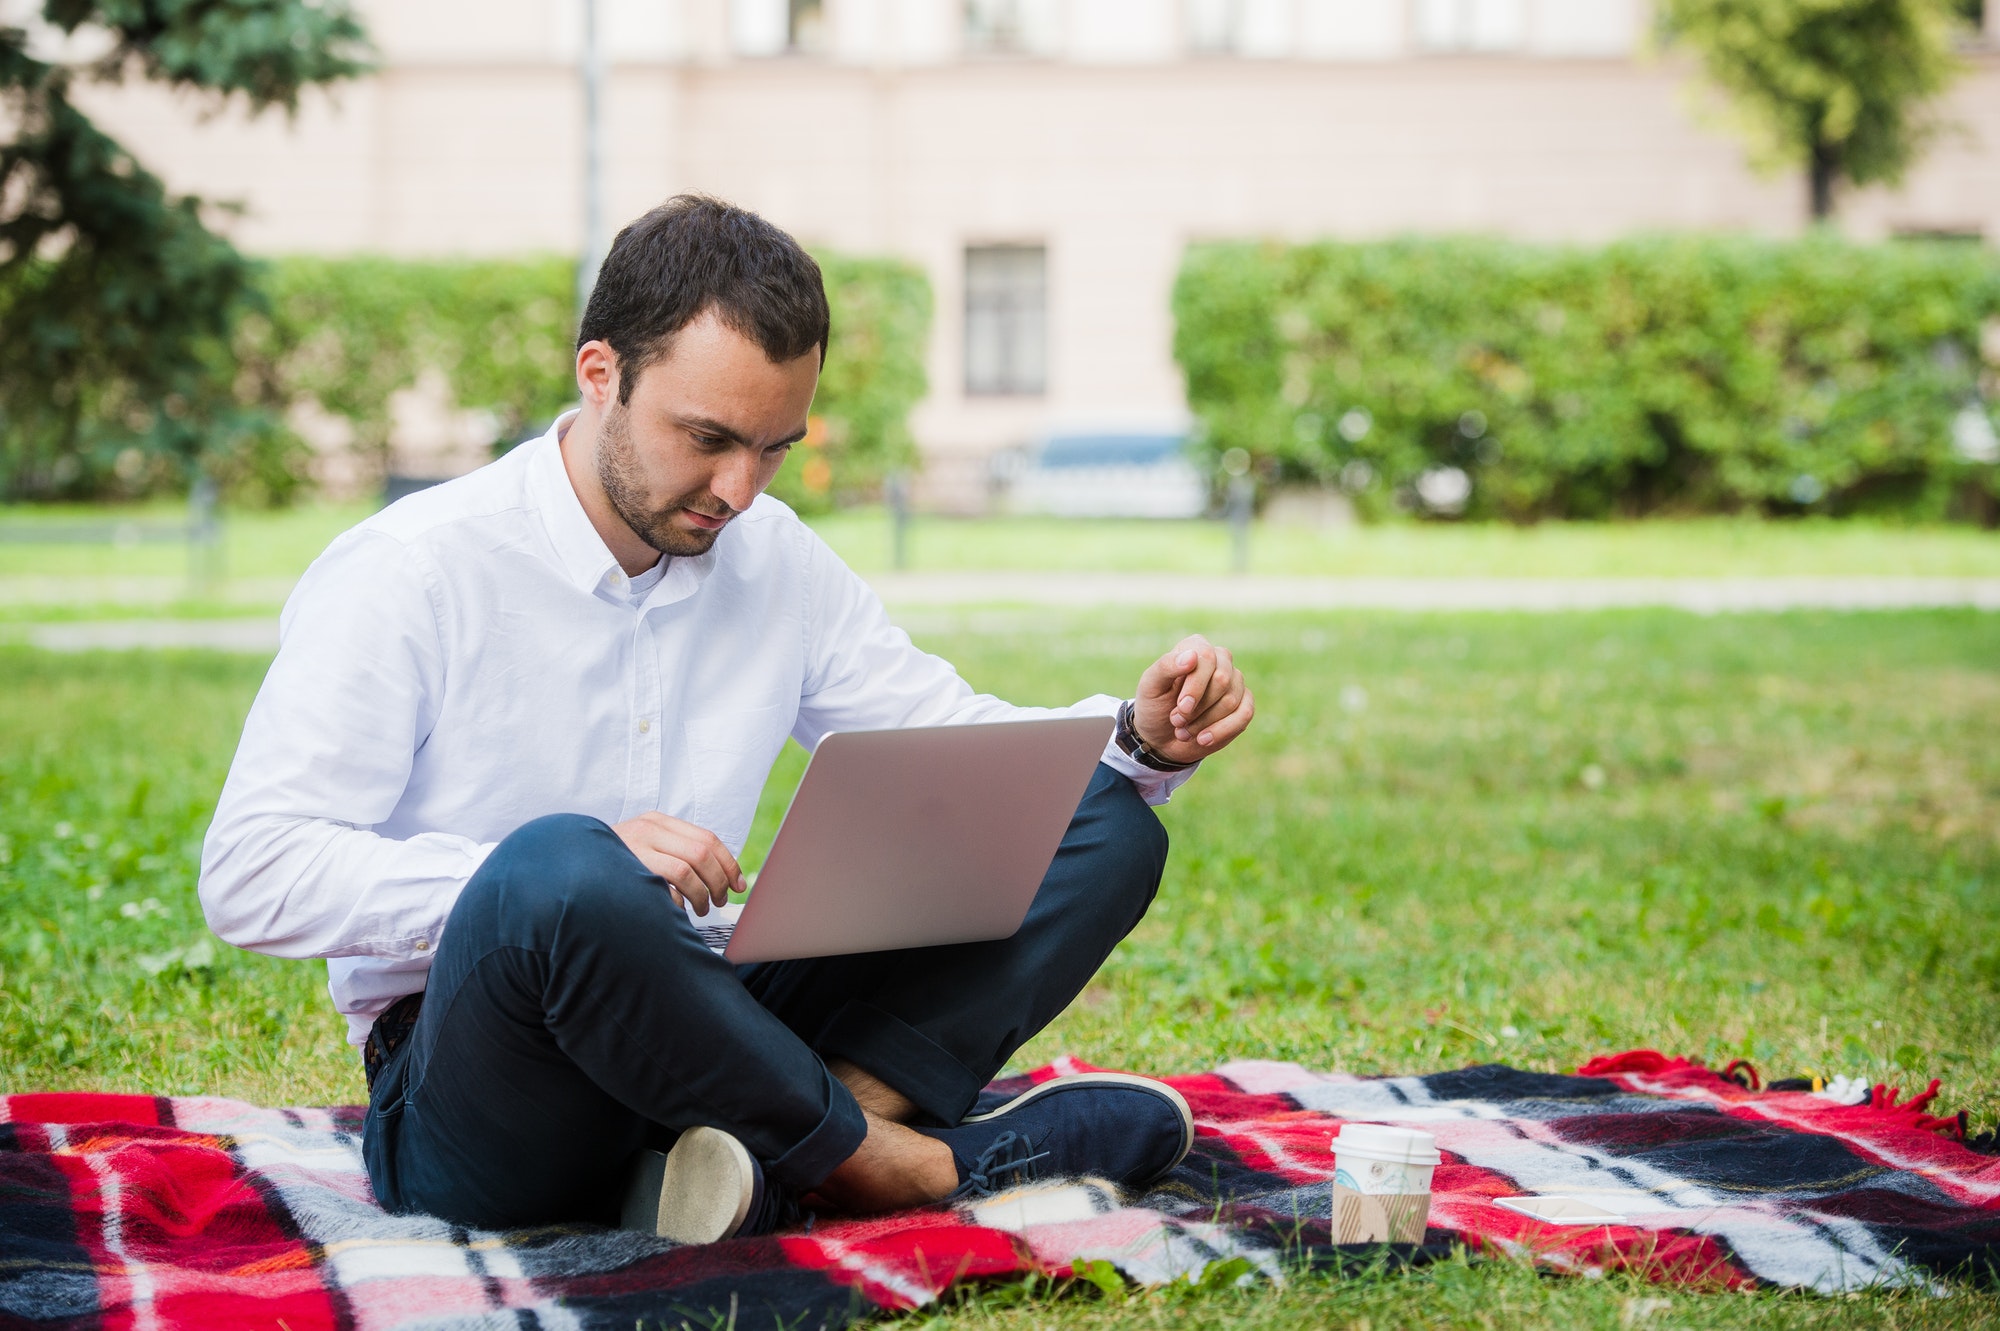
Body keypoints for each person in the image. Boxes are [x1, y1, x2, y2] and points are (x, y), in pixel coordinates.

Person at [199, 195, 1255, 1241]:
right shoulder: (411, 571)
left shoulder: (772, 556)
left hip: (723, 1007)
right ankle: (894, 1163)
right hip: (482, 1077)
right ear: (599, 374)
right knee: (562, 873)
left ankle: (759, 1152)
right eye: (706, 438)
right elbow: (251, 870)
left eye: (775, 447)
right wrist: (548, 879)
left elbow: (954, 747)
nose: (739, 489)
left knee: (1100, 818)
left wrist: (1137, 736)